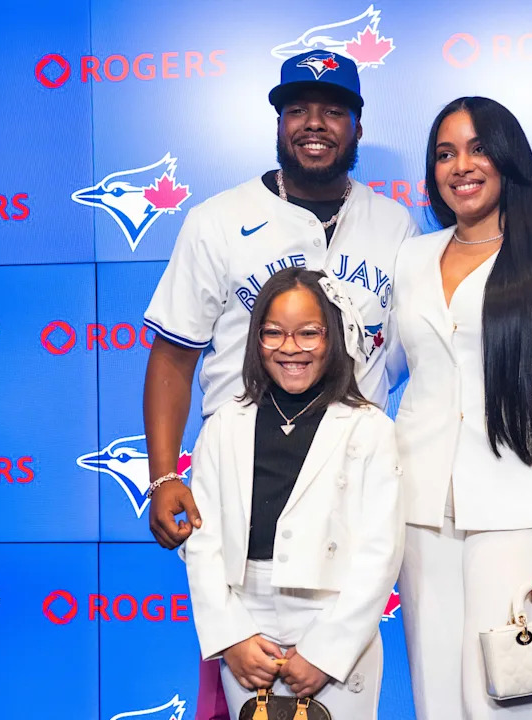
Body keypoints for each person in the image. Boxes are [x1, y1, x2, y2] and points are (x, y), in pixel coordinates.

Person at [140, 51, 416, 719]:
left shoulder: (396, 226)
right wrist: (161, 475)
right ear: (278, 121)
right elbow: (173, 355)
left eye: (331, 111)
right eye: (297, 110)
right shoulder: (216, 220)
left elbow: (422, 359)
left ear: (356, 124)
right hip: (241, 497)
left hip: (347, 502)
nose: (313, 124)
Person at [392, 96, 532, 719]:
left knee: (503, 701)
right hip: (419, 511)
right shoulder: (413, 256)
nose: (461, 165)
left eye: (478, 147)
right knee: (435, 700)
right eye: (444, 153)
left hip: (519, 514)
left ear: (507, 156)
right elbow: (379, 375)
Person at [182, 267, 404, 719]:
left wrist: (327, 649)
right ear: (255, 339)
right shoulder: (225, 424)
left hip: (335, 617)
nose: (290, 348)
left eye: (308, 333)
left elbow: (380, 552)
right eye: (273, 333)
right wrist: (232, 637)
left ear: (333, 337)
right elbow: (203, 541)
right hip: (248, 620)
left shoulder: (370, 427)